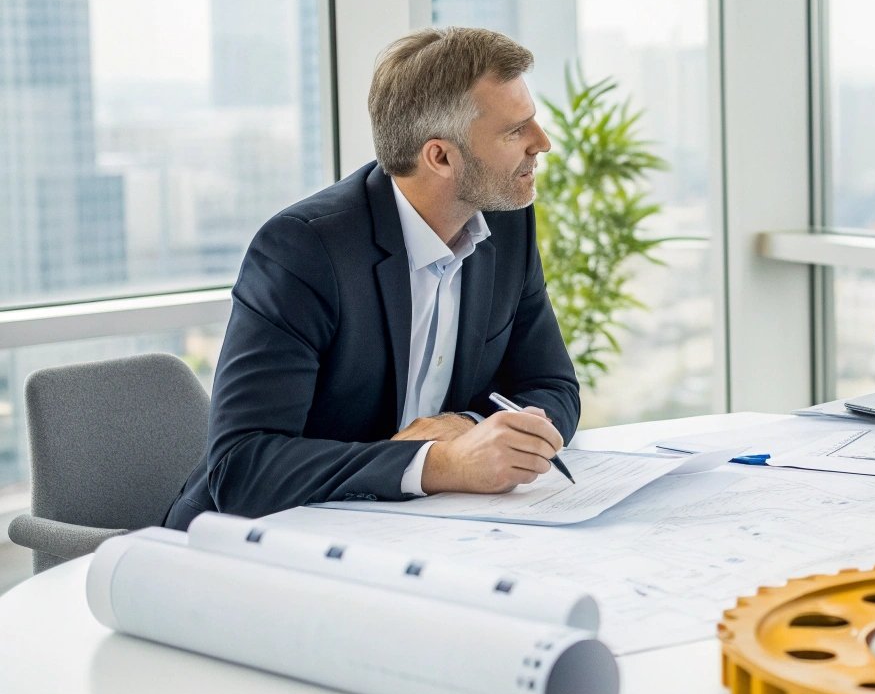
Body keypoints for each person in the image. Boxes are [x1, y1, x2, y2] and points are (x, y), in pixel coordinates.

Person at [165, 27, 580, 528]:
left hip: (415, 531)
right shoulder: (304, 250)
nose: (543, 143)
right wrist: (440, 463)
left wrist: (465, 427)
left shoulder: (505, 222)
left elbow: (552, 386)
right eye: (516, 130)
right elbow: (244, 469)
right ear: (440, 156)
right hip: (258, 542)